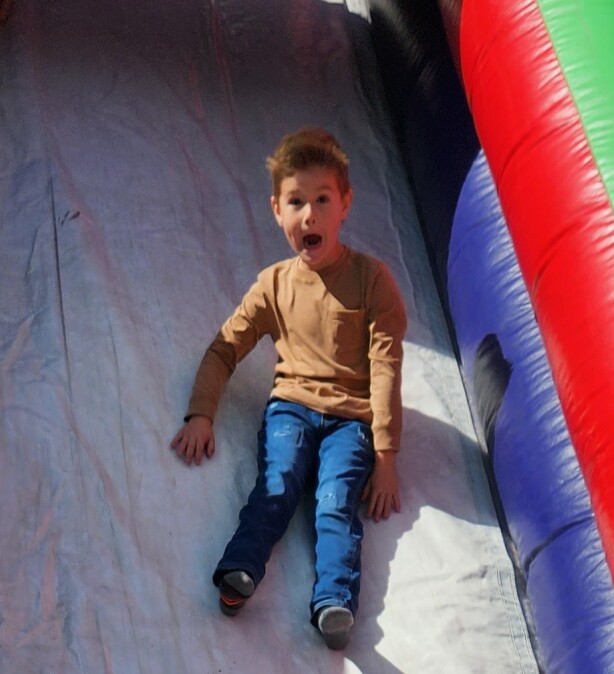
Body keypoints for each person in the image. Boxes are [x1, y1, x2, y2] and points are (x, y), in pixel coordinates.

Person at [170, 127, 406, 650]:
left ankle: (333, 603)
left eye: (323, 199)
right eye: (296, 202)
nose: (310, 215)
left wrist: (386, 455)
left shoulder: (372, 281)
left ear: (345, 203)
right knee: (275, 486)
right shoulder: (274, 284)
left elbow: (386, 365)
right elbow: (225, 348)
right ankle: (240, 571)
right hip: (291, 411)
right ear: (277, 210)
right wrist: (200, 413)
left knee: (334, 501)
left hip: (351, 420)